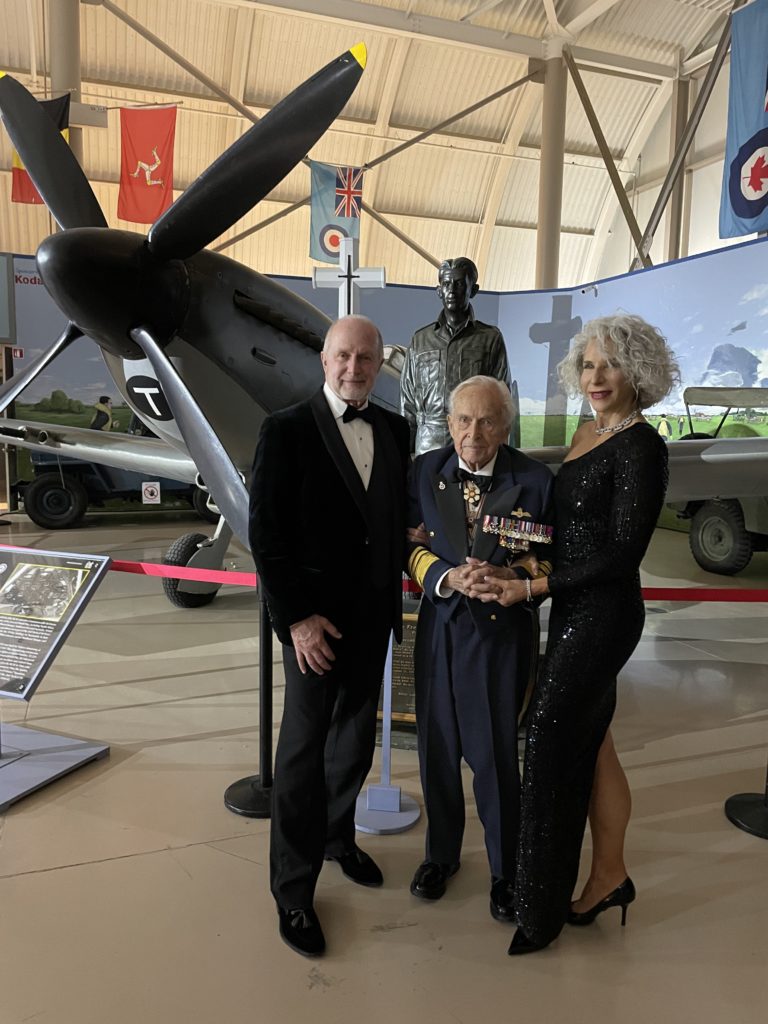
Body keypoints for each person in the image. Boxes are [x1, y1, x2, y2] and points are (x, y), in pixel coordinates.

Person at [470, 313, 678, 954]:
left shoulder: (644, 447)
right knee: (596, 745)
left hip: (605, 615)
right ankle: (610, 875)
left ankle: (540, 913)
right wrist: (497, 548)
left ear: (637, 371)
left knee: (553, 749)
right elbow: (559, 533)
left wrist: (531, 588)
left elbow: (619, 556)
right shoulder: (588, 431)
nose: (596, 377)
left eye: (610, 364)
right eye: (587, 365)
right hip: (570, 607)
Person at [249, 315, 410, 958]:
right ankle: (293, 890)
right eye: (343, 356)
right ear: (323, 359)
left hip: (373, 619)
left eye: (365, 358)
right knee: (301, 756)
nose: (354, 368)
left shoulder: (396, 429)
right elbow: (267, 536)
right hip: (313, 627)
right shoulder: (284, 430)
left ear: (378, 363)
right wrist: (296, 621)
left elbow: (394, 523)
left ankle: (339, 837)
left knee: (353, 742)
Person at [406, 375, 554, 923]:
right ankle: (440, 857)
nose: (473, 432)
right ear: (449, 423)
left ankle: (505, 872)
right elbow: (407, 545)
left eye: (487, 420)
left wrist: (511, 574)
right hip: (442, 628)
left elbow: (549, 556)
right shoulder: (424, 471)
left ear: (505, 426)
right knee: (436, 751)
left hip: (499, 635)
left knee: (494, 758)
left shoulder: (535, 479)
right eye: (464, 420)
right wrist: (444, 576)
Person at [400, 257, 515, 456]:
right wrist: (405, 455)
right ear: (438, 290)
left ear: (474, 290)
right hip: (428, 448)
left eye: (460, 283)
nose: (451, 290)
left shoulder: (490, 339)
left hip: (474, 444)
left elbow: (502, 401)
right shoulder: (421, 340)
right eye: (446, 284)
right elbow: (407, 403)